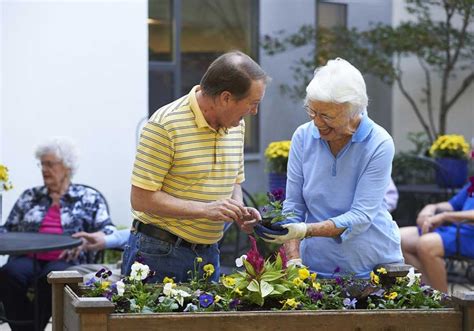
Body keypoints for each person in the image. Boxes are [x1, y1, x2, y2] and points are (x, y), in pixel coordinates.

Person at [121, 51, 268, 283]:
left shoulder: (236, 127)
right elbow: (141, 199)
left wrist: (237, 208)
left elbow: (235, 182)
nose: (254, 112)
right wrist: (206, 210)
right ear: (226, 98)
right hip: (159, 252)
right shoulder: (164, 125)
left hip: (209, 253)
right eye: (252, 104)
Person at [256, 58, 403, 278]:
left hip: (371, 266)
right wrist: (294, 259)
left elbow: (361, 216)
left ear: (353, 111)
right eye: (312, 111)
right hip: (314, 266)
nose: (317, 122)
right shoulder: (303, 137)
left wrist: (307, 229)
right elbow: (294, 204)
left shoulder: (379, 142)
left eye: (326, 115)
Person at [0, 137, 115, 331]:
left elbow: (108, 230)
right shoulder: (30, 196)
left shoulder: (88, 197)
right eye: (42, 164)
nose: (44, 169)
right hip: (27, 257)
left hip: (67, 258)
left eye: (50, 164)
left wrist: (88, 240)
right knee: (8, 274)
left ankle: (33, 326)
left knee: (52, 278)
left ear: (67, 167)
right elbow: (7, 229)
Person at [400, 183, 474, 292]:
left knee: (427, 244)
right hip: (457, 231)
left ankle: (444, 301)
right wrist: (431, 207)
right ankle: (427, 293)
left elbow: (448, 213)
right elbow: (452, 205)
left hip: (470, 236)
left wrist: (444, 216)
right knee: (401, 238)